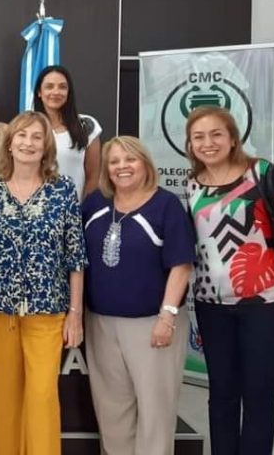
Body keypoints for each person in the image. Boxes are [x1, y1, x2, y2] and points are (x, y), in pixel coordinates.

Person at [184, 106, 274, 455]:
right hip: (211, 306)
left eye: (216, 134)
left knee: (258, 396)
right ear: (190, 145)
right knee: (221, 395)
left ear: (232, 138)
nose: (208, 143)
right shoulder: (192, 184)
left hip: (268, 305)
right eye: (199, 137)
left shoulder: (261, 173)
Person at [0, 111, 86, 455]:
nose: (28, 143)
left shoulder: (62, 190)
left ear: (46, 146)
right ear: (9, 144)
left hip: (47, 311)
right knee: (0, 400)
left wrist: (75, 314)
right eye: (21, 136)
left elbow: (75, 256)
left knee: (41, 398)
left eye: (37, 137)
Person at [81, 136, 194, 455]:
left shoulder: (166, 205)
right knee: (111, 410)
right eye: (114, 161)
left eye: (130, 159)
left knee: (155, 411)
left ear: (145, 163)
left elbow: (181, 266)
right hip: (101, 322)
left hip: (153, 324)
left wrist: (167, 316)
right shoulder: (95, 204)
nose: (122, 167)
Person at [33, 65, 101, 199]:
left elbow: (93, 176)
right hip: (33, 208)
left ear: (69, 92)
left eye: (62, 87)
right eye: (49, 86)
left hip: (74, 208)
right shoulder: (27, 128)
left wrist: (83, 208)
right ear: (39, 92)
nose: (56, 92)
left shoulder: (86, 126)